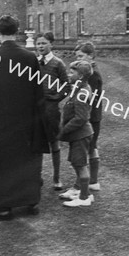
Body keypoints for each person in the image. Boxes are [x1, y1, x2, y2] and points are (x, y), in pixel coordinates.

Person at [0, 15, 49, 220]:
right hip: (26, 119)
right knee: (26, 159)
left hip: (1, 120)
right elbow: (38, 91)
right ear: (17, 31)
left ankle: (4, 208)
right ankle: (30, 202)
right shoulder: (29, 57)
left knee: (3, 163)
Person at [57, 60, 95, 207]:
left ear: (80, 76)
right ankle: (80, 190)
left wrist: (62, 131)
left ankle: (85, 197)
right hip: (79, 135)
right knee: (77, 162)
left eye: (72, 72)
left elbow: (81, 118)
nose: (68, 74)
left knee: (80, 164)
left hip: (81, 134)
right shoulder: (79, 88)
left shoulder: (82, 92)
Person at [35, 32, 68, 190]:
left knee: (54, 142)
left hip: (51, 108)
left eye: (43, 43)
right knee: (37, 142)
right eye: (38, 43)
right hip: (36, 107)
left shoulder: (58, 63)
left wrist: (56, 98)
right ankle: (37, 176)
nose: (40, 46)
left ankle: (56, 178)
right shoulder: (33, 62)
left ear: (51, 44)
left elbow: (67, 86)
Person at [73, 41, 103, 191]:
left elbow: (90, 98)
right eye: (76, 57)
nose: (78, 60)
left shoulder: (91, 74)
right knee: (92, 147)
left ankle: (81, 185)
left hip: (91, 116)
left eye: (81, 56)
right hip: (93, 115)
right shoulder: (90, 71)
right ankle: (93, 181)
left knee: (85, 148)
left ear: (90, 56)